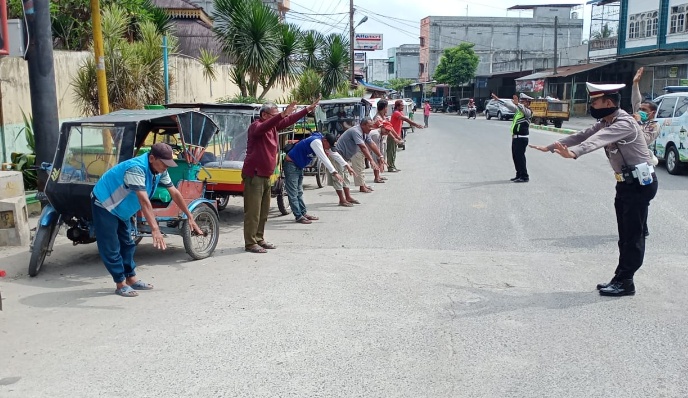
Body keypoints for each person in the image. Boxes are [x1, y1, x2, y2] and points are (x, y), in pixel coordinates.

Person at [530, 82, 658, 297]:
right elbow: (583, 135)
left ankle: (626, 281)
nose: (592, 105)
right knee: (624, 235)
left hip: (639, 185)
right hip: (626, 184)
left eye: (594, 102)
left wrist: (574, 153)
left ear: (608, 103)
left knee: (632, 235)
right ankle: (620, 277)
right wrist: (551, 147)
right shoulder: (607, 121)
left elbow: (596, 141)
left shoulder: (624, 123)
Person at [91, 143, 203, 297]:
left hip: (122, 209)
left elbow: (175, 193)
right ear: (152, 158)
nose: (166, 167)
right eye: (164, 164)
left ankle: (131, 279)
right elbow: (144, 200)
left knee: (128, 244)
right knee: (111, 246)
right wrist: (155, 228)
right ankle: (120, 283)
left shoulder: (160, 170)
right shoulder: (136, 168)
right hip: (105, 204)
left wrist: (189, 215)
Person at [242, 98, 320, 253]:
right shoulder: (256, 127)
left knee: (263, 212)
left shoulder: (272, 126)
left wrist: (306, 110)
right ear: (264, 115)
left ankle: (259, 238)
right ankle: (250, 242)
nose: (278, 118)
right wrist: (282, 114)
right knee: (253, 212)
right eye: (274, 115)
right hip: (254, 175)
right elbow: (267, 125)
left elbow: (288, 120)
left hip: (265, 175)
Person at [283, 133, 348, 224]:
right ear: (325, 140)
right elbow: (324, 158)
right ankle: (298, 216)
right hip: (291, 165)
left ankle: (303, 213)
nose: (328, 148)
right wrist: (334, 172)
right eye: (328, 146)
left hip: (298, 166)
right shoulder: (316, 142)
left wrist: (346, 165)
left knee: (299, 191)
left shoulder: (321, 142)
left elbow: (334, 153)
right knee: (293, 192)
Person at [631, 67, 660, 237]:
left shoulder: (653, 126)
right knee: (630, 198)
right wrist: (635, 83)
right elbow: (636, 101)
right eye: (640, 109)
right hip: (629, 164)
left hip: (644, 166)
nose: (640, 111)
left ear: (652, 113)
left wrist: (637, 123)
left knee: (643, 200)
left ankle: (643, 227)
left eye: (644, 110)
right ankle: (636, 226)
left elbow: (645, 140)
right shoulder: (636, 117)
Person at [331, 118, 384, 206]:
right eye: (369, 126)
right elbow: (363, 147)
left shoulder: (365, 133)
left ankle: (348, 197)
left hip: (345, 157)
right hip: (338, 156)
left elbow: (372, 144)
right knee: (339, 178)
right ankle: (342, 200)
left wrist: (380, 156)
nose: (371, 128)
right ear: (363, 125)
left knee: (345, 177)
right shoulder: (356, 131)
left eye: (372, 126)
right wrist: (371, 160)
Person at [492, 93, 533, 182]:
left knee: (520, 157)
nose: (521, 103)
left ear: (528, 103)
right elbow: (510, 106)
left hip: (522, 138)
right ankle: (518, 174)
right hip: (515, 138)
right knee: (515, 157)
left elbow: (524, 110)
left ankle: (524, 176)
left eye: (523, 101)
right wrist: (498, 99)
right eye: (521, 101)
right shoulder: (518, 111)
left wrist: (518, 104)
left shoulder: (528, 112)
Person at [389, 99, 424, 172]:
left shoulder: (399, 112)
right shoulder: (396, 113)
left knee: (394, 151)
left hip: (396, 134)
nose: (403, 107)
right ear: (397, 106)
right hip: (392, 134)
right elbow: (406, 119)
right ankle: (390, 167)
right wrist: (416, 124)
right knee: (391, 151)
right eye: (401, 106)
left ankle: (392, 166)